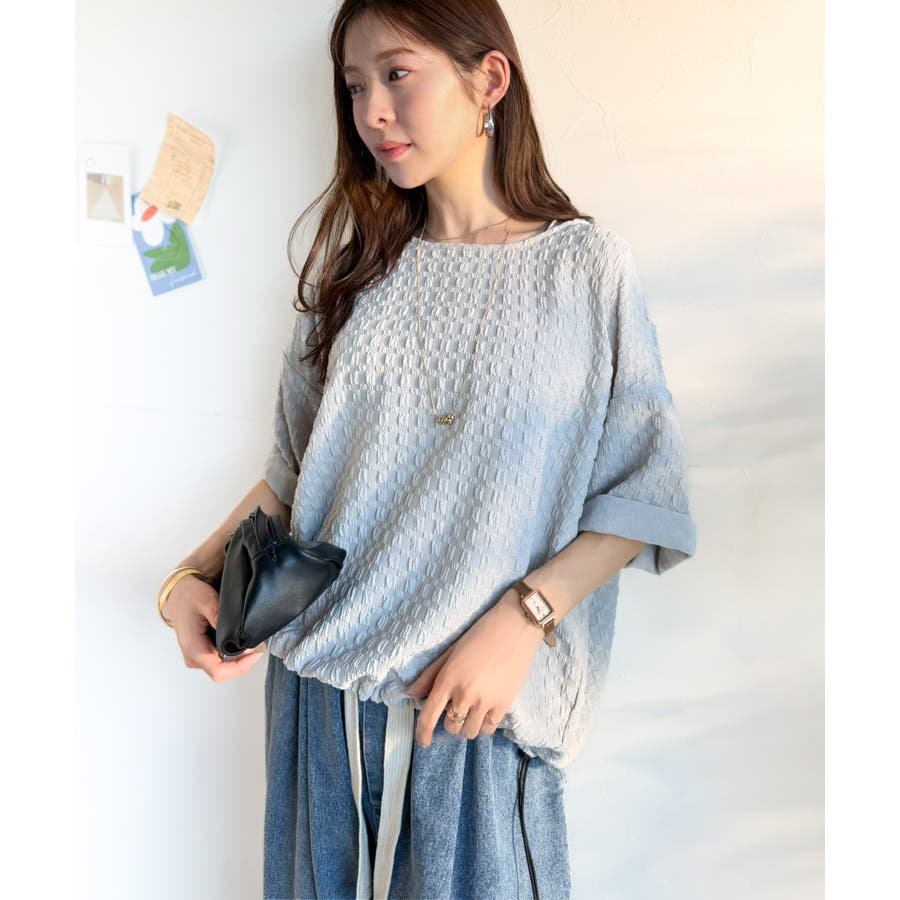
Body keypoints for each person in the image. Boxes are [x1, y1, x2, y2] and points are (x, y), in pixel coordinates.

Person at [157, 1, 698, 898]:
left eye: (397, 74)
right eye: (354, 86)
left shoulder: (585, 269)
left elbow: (645, 493)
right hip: (322, 709)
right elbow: (291, 479)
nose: (372, 110)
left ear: (489, 79)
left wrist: (525, 618)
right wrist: (184, 579)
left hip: (475, 719)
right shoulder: (350, 274)